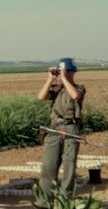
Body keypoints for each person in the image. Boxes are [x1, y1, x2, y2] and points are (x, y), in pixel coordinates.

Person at [37, 57, 86, 199]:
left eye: (65, 71)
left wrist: (64, 78)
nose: (62, 74)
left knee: (69, 168)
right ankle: (45, 202)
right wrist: (50, 79)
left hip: (71, 129)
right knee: (48, 167)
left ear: (72, 72)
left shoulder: (79, 88)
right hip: (54, 130)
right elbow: (41, 97)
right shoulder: (56, 89)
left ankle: (66, 200)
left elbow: (75, 96)